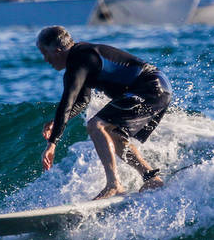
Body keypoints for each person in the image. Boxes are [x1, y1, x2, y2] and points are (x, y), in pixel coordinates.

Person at [36, 26, 170, 199]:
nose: (45, 59)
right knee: (112, 132)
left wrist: (52, 143)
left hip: (150, 86)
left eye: (44, 53)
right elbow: (82, 101)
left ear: (57, 51)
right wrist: (58, 122)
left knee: (96, 125)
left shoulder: (79, 59)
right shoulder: (81, 59)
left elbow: (66, 102)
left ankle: (114, 185)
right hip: (157, 87)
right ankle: (151, 177)